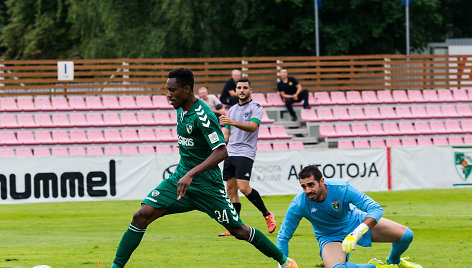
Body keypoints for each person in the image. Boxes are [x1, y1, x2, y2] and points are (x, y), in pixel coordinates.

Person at [109, 68, 298, 268]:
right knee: (141, 215)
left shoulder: (203, 115)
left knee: (239, 231)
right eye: (167, 90)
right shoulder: (181, 109)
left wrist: (191, 174)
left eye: (172, 91)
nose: (168, 95)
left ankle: (285, 262)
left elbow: (221, 151)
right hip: (180, 180)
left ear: (187, 89)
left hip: (207, 186)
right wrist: (186, 167)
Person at [276, 165, 423, 268]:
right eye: (303, 186)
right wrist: (282, 265)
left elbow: (375, 209)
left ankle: (393, 262)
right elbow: (283, 236)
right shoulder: (299, 204)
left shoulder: (341, 188)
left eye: (311, 185)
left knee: (406, 235)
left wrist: (357, 232)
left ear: (322, 181)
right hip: (329, 236)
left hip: (355, 222)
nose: (307, 190)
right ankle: (376, 266)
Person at [218, 78, 276, 237]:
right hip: (231, 152)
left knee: (243, 187)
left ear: (250, 90)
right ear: (235, 90)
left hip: (246, 152)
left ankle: (267, 214)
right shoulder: (232, 109)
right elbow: (227, 134)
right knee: (231, 189)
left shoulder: (256, 107)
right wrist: (218, 144)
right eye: (239, 87)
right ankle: (233, 226)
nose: (242, 90)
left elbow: (252, 127)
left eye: (245, 87)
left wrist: (231, 122)